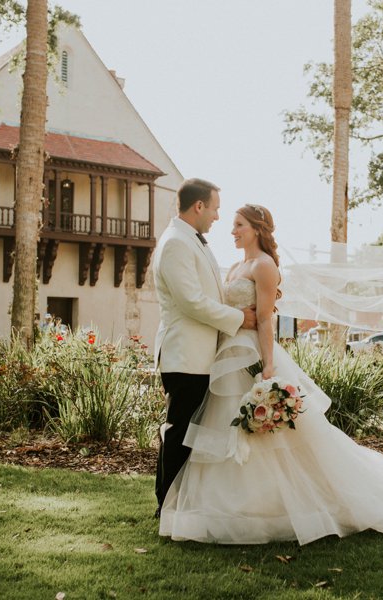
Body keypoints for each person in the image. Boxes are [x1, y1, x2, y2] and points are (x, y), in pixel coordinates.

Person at [159, 204, 383, 545]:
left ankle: (299, 503)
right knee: (227, 428)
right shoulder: (233, 267)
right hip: (225, 355)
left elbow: (264, 320)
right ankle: (235, 505)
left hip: (253, 356)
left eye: (239, 225)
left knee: (273, 435)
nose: (232, 230)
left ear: (257, 229)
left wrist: (269, 367)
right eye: (232, 224)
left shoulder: (264, 265)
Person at [152, 178, 258, 519]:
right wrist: (240, 317)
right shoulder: (175, 244)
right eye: (214, 209)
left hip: (199, 355)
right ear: (199, 206)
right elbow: (192, 302)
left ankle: (177, 502)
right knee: (179, 430)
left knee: (185, 430)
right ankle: (167, 505)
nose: (216, 217)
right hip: (185, 355)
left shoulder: (192, 242)